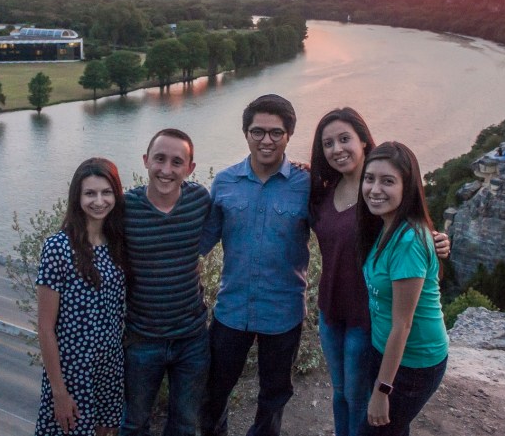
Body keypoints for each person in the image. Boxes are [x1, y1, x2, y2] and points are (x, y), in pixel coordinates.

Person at [308, 108, 449, 436]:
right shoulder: (322, 191)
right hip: (330, 311)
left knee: (362, 401)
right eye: (328, 143)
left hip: (365, 319)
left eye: (345, 139)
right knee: (341, 393)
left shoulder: (379, 201)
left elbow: (414, 236)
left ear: (364, 142)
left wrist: (438, 241)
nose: (337, 149)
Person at [200, 94, 310, 436]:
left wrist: (422, 233)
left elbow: (345, 224)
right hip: (232, 310)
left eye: (276, 133)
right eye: (257, 131)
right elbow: (200, 244)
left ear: (289, 135)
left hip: (284, 313)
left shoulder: (307, 185)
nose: (266, 140)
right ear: (245, 133)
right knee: (214, 390)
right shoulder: (225, 183)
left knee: (274, 396)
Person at [120, 129, 212, 436]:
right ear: (146, 161)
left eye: (177, 162)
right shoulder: (124, 208)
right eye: (159, 159)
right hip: (142, 339)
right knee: (134, 424)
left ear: (190, 168)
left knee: (185, 425)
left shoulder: (200, 200)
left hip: (192, 338)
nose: (167, 169)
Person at [357, 142, 449, 435]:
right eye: (369, 178)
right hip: (388, 353)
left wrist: (383, 391)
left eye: (388, 181)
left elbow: (403, 324)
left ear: (407, 187)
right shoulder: (386, 226)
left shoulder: (408, 240)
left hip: (414, 363)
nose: (374, 189)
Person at [35, 158, 127, 436]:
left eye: (106, 192)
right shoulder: (58, 248)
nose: (99, 201)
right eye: (90, 193)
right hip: (74, 371)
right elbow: (45, 327)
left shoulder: (117, 244)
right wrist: (58, 392)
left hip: (111, 367)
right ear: (77, 197)